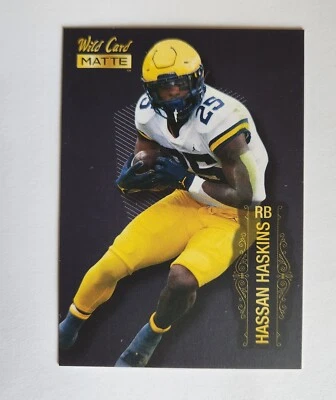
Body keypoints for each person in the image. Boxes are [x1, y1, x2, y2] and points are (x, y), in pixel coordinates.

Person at [59, 38, 268, 367]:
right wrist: (135, 172)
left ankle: (149, 337)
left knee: (182, 279)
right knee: (112, 263)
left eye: (179, 86)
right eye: (163, 89)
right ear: (149, 90)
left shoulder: (221, 120)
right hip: (190, 199)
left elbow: (245, 196)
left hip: (238, 216)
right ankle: (70, 323)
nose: (173, 95)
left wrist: (182, 179)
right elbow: (146, 154)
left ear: (198, 79)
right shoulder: (147, 111)